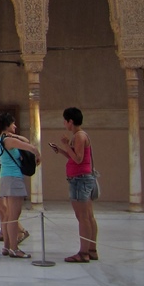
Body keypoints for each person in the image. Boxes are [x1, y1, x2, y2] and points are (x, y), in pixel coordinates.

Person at [50, 107, 99, 263]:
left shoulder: (79, 136)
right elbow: (75, 158)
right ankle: (91, 250)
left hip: (79, 179)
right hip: (83, 178)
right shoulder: (80, 136)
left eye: (65, 120)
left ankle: (83, 253)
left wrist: (65, 145)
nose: (64, 124)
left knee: (83, 217)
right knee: (88, 216)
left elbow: (78, 159)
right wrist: (62, 150)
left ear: (70, 121)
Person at [0, 112, 39, 259]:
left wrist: (13, 135)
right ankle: (14, 248)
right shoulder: (8, 141)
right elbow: (29, 146)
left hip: (6, 177)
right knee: (14, 215)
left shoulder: (0, 138)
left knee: (9, 215)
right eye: (13, 123)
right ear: (7, 125)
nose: (16, 126)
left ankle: (7, 246)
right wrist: (37, 153)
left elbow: (24, 139)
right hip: (13, 178)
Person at [0, 117, 30, 245]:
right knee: (1, 205)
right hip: (1, 172)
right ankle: (7, 239)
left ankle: (17, 233)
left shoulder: (5, 139)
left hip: (4, 172)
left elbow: (28, 144)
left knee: (7, 209)